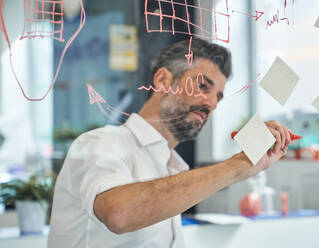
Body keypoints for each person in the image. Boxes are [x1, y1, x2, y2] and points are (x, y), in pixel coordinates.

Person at [48, 38, 293, 248]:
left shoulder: (174, 167)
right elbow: (119, 214)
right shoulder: (98, 144)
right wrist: (238, 165)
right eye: (202, 86)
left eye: (218, 97)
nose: (211, 104)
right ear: (164, 80)